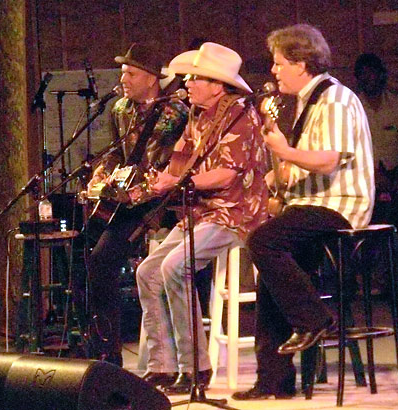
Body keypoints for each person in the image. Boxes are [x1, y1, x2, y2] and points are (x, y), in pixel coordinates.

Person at [232, 24, 374, 400]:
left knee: (263, 240)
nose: (274, 71)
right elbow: (298, 170)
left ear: (301, 63)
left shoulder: (336, 100)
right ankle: (273, 380)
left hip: (340, 206)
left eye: (279, 64)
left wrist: (285, 151)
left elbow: (329, 162)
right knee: (269, 271)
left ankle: (314, 318)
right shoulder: (307, 104)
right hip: (311, 204)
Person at [136, 42, 268, 393]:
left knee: (174, 267)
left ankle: (196, 367)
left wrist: (179, 182)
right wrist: (149, 186)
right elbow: (178, 163)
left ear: (218, 84)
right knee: (147, 272)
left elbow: (227, 174)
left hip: (234, 213)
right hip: (201, 213)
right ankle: (163, 366)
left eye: (196, 78)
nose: (188, 84)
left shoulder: (241, 115)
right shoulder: (197, 115)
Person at [82, 43, 189, 367]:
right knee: (81, 247)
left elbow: (163, 163)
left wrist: (132, 189)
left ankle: (109, 355)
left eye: (130, 72)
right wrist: (103, 172)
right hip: (127, 199)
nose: (123, 77)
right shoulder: (119, 109)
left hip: (159, 201)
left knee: (102, 259)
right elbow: (118, 154)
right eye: (123, 71)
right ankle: (97, 342)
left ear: (152, 78)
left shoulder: (174, 112)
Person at [354, 53, 398, 233]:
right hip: (364, 177)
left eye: (371, 73)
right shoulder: (353, 107)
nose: (367, 78)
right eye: (362, 74)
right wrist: (373, 176)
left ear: (381, 75)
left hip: (396, 175)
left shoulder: (397, 106)